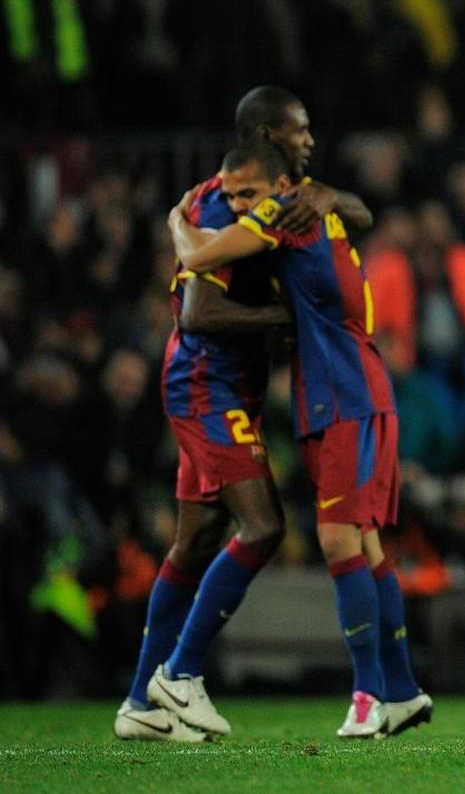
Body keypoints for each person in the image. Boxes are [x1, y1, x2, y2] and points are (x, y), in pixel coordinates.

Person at [114, 86, 374, 743]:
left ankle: (141, 700)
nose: (311, 140)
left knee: (196, 539)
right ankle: (181, 672)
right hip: (207, 382)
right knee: (261, 527)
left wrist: (333, 197)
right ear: (266, 133)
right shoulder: (214, 202)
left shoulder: (291, 192)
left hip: (232, 383)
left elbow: (360, 213)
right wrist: (291, 320)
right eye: (300, 130)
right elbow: (199, 310)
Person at [168, 140, 431, 740]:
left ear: (281, 188)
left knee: (338, 539)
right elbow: (356, 210)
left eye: (248, 194)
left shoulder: (281, 218)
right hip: (351, 386)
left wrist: (177, 224)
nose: (238, 206)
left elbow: (203, 256)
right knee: (364, 543)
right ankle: (402, 691)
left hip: (343, 393)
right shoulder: (321, 211)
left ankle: (367, 697)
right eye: (230, 196)